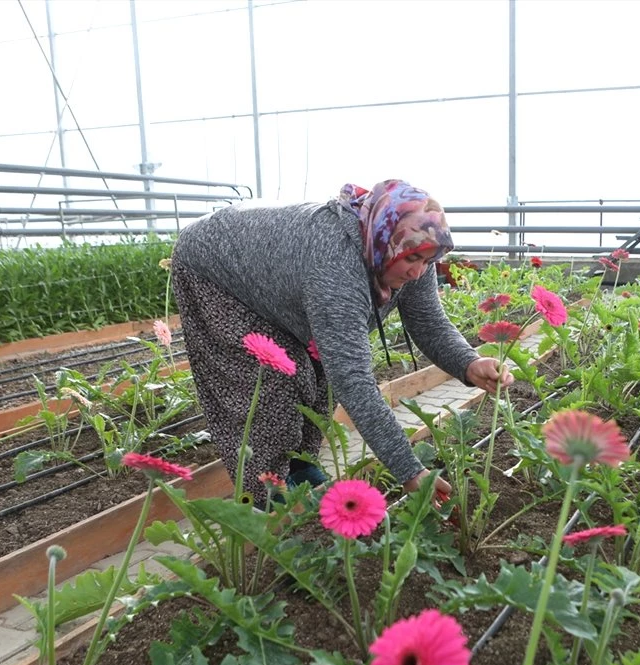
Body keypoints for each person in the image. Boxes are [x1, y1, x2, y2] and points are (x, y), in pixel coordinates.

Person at [169, 179, 513, 506]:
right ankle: (266, 493)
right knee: (267, 382)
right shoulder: (337, 263)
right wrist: (409, 470)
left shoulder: (407, 246)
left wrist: (469, 363)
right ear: (384, 242)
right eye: (412, 259)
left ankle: (300, 466)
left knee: (317, 368)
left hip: (278, 278)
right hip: (215, 268)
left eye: (428, 261)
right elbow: (353, 381)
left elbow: (427, 322)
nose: (418, 272)